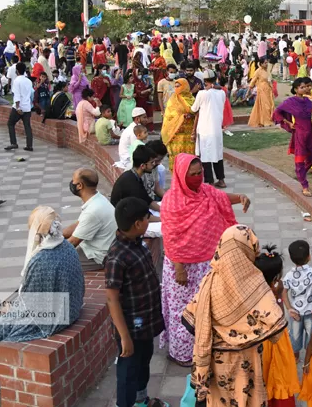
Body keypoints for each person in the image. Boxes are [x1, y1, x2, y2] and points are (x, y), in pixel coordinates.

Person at [0, 206, 84, 392]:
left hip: (55, 317)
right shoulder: (67, 246)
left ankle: (0, 381)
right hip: (73, 307)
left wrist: (11, 309)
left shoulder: (40, 259)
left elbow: (31, 304)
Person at [159, 154, 250, 366]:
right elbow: (171, 238)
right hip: (182, 268)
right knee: (183, 311)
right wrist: (179, 268)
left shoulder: (206, 191)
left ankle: (204, 348)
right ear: (182, 176)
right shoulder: (172, 202)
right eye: (193, 174)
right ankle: (180, 353)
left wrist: (240, 197)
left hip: (205, 265)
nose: (199, 177)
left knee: (206, 307)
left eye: (200, 172)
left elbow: (221, 197)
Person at [182, 225, 287, 407]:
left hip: (216, 363)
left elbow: (193, 322)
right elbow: (275, 329)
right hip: (246, 360)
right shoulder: (255, 284)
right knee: (245, 396)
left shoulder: (209, 280)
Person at [104, 197, 167, 407]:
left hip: (145, 322)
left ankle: (141, 399)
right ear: (138, 224)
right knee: (128, 370)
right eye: (147, 219)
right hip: (131, 327)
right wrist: (124, 337)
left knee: (144, 360)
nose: (149, 222)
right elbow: (112, 298)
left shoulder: (137, 242)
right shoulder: (117, 257)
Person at [254, 246, 300, 407]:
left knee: (262, 374)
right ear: (276, 277)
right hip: (276, 341)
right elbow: (279, 315)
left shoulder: (253, 291)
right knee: (277, 374)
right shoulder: (274, 292)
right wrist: (278, 293)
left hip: (257, 341)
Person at [62, 169, 118, 271]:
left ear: (79, 186)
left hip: (99, 256)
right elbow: (78, 225)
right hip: (96, 248)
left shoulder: (92, 211)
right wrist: (58, 235)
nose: (71, 183)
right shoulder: (97, 198)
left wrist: (49, 252)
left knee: (58, 263)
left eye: (73, 180)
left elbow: (73, 242)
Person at [282, 238, 312, 368]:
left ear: (290, 257)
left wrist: (289, 308)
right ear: (309, 256)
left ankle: (295, 357)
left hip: (295, 313)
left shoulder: (288, 275)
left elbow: (284, 293)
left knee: (295, 335)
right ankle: (310, 356)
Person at [273, 78, 312, 196]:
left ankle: (301, 173)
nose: (306, 89)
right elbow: (277, 112)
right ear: (296, 89)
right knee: (300, 159)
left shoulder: (309, 101)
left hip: (311, 133)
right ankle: (304, 185)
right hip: (299, 133)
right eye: (302, 87)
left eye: (307, 86)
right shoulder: (290, 102)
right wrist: (288, 122)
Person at [191, 75, 227, 187]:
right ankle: (221, 180)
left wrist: (194, 92)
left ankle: (209, 181)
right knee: (217, 155)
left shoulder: (202, 94)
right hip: (216, 130)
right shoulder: (222, 93)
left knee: (206, 156)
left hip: (205, 130)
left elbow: (193, 109)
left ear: (205, 82)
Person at [110, 146, 160, 212]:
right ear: (142, 166)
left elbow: (148, 201)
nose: (154, 164)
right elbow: (142, 216)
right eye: (152, 162)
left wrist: (166, 211)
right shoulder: (131, 182)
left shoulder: (134, 176)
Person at [161, 78, 196, 171]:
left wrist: (191, 115)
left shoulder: (192, 99)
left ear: (185, 86)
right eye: (175, 86)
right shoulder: (172, 100)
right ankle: (177, 179)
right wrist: (182, 117)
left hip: (189, 134)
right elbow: (169, 116)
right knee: (178, 157)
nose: (176, 88)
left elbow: (197, 112)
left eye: (179, 86)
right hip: (177, 134)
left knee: (189, 157)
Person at [5, 63, 34, 152]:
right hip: (27, 106)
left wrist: (17, 107)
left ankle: (14, 143)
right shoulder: (28, 81)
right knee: (27, 126)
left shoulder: (17, 80)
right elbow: (32, 93)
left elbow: (16, 95)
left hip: (19, 107)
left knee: (10, 123)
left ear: (17, 71)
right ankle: (29, 145)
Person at [248, 56, 275, 127]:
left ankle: (267, 120)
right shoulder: (258, 71)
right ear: (261, 63)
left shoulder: (267, 70)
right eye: (265, 63)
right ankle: (266, 121)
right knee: (266, 106)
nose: (266, 64)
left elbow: (269, 79)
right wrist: (248, 91)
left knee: (270, 105)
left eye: (267, 63)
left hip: (268, 90)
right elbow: (252, 82)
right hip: (262, 90)